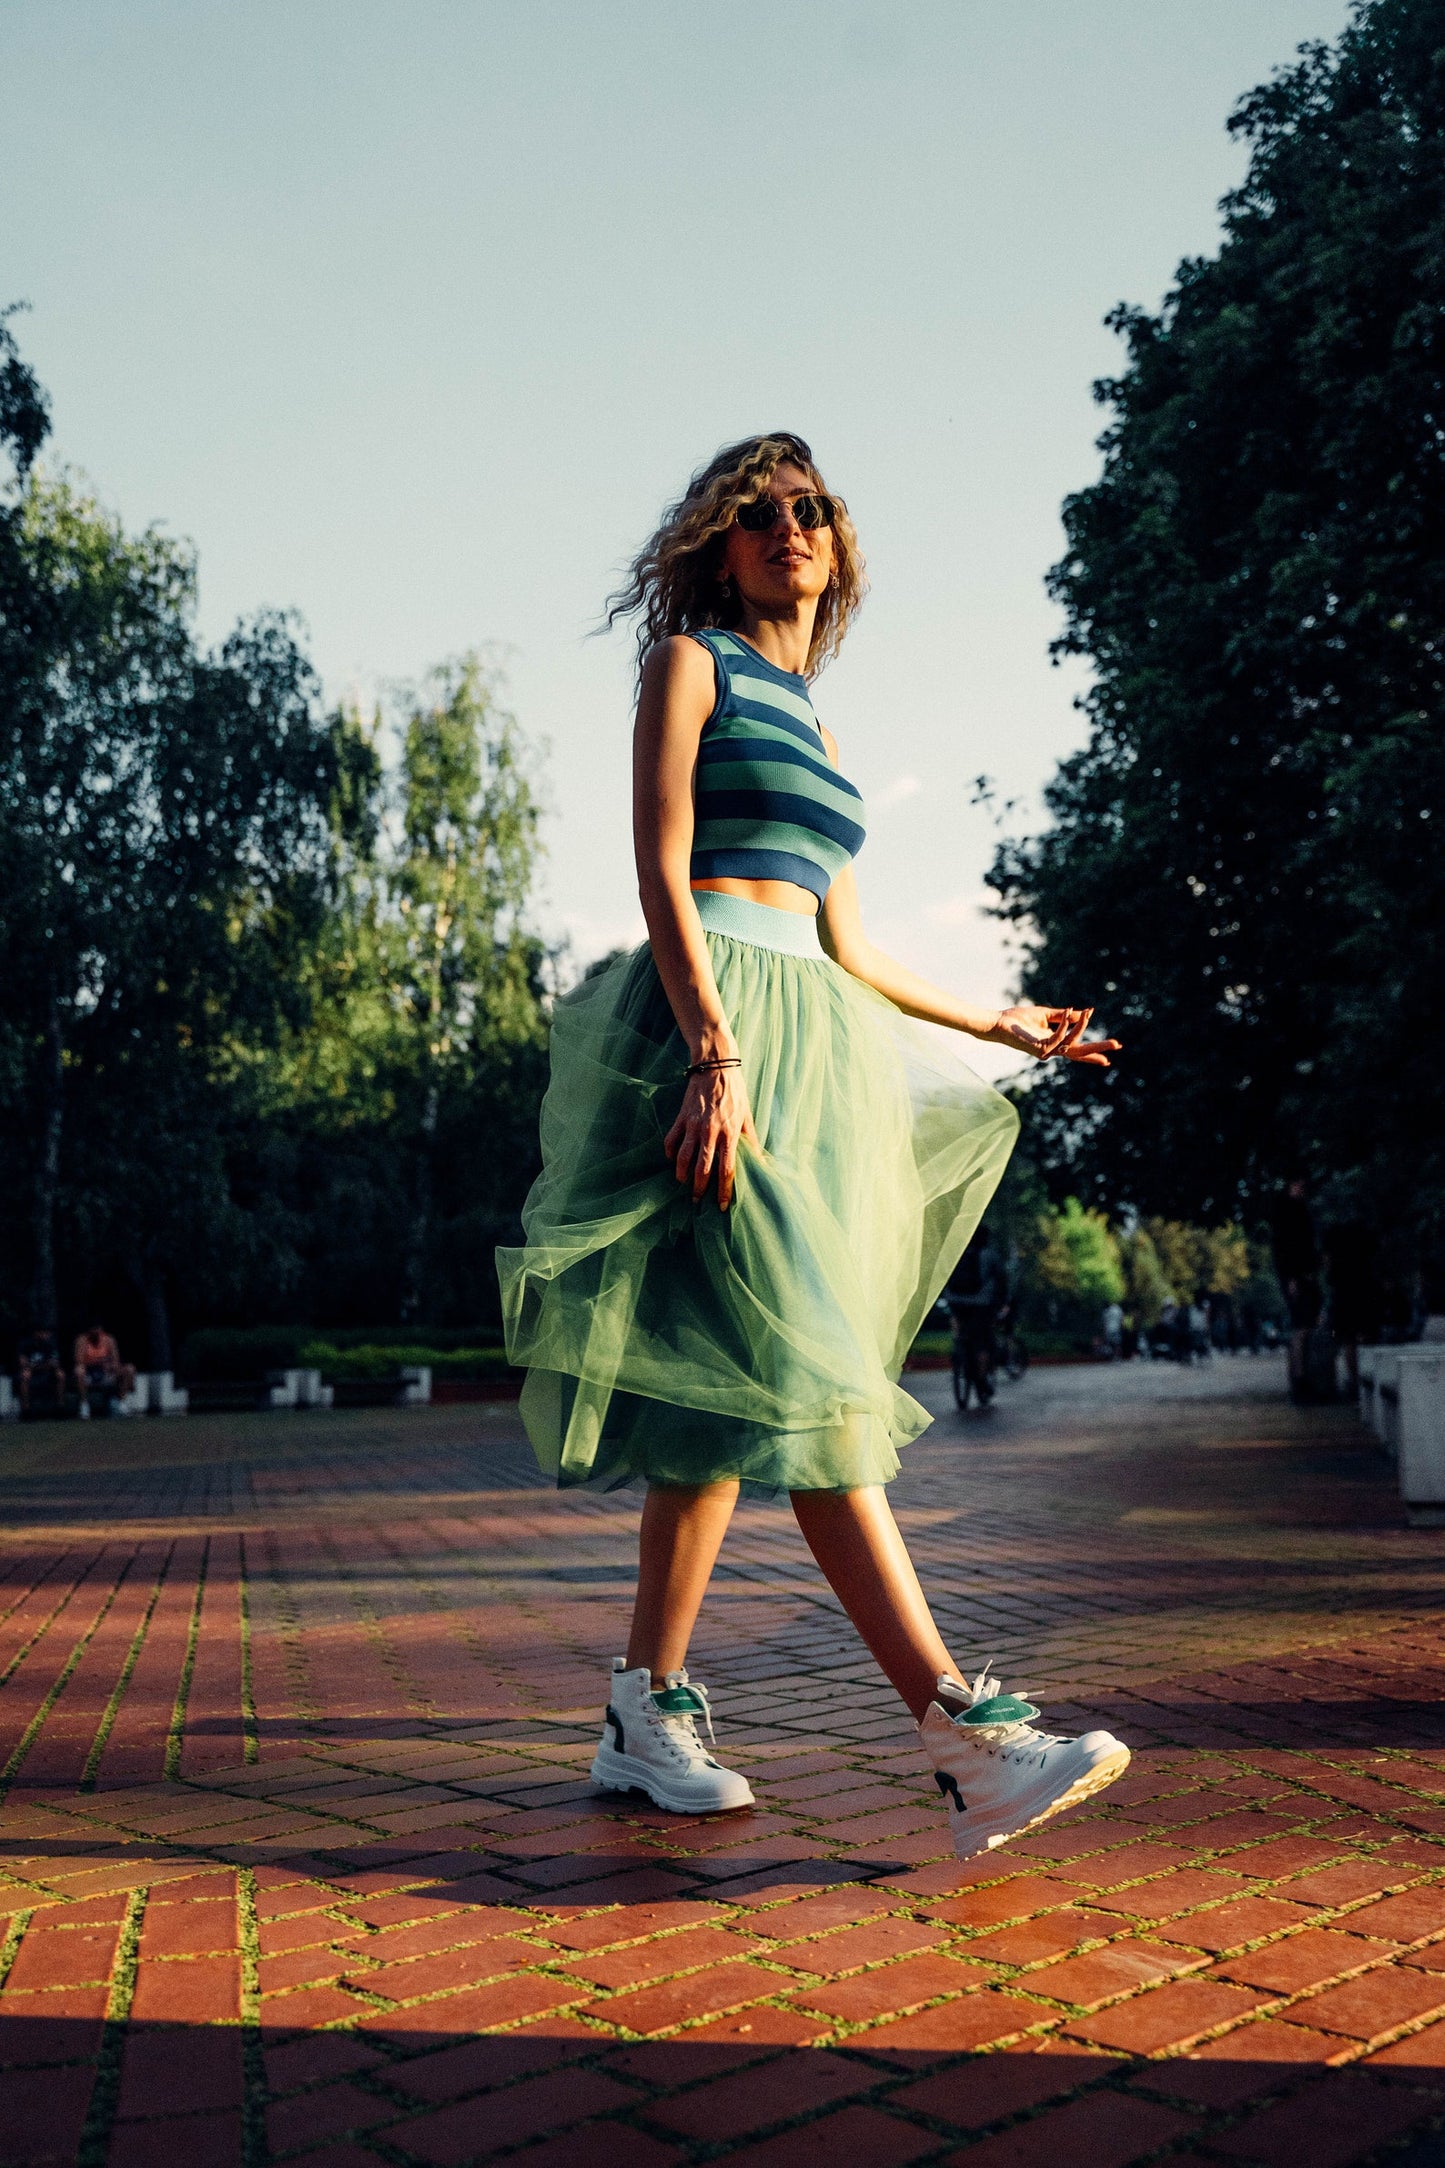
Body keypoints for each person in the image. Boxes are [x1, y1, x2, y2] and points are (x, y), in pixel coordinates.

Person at [497, 434, 1130, 1862]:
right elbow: (659, 865)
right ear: (719, 548)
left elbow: (848, 939)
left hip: (812, 1034)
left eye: (810, 511)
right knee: (812, 1373)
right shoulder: (692, 667)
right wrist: (713, 1049)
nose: (788, 527)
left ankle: (640, 1713)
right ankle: (960, 1736)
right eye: (758, 513)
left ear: (836, 548)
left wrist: (1004, 1017)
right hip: (711, 1022)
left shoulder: (818, 725)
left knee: (738, 1390)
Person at [1269, 1177, 1323, 1403]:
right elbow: (1285, 1249)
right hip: (1298, 1277)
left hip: (1302, 1276)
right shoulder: (1288, 1214)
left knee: (1305, 1327)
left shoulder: (1296, 1211)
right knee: (1302, 1328)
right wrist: (1292, 1277)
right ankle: (1300, 1378)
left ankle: (1302, 1378)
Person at [944, 1222, 1007, 1406]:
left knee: (961, 1332)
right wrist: (1002, 1303)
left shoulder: (956, 1253)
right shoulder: (990, 1255)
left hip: (955, 1301)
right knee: (982, 1342)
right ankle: (981, 1378)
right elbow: (1001, 1280)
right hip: (981, 1304)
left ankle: (959, 1352)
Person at [72, 1323, 135, 1416]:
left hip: (106, 1372)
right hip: (89, 1372)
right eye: (93, 1329)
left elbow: (115, 1360)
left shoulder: (109, 1340)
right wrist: (98, 1362)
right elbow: (79, 1361)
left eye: (98, 1329)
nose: (96, 1332)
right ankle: (84, 1405)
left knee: (129, 1369)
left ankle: (121, 1402)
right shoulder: (82, 1340)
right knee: (78, 1371)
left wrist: (110, 1365)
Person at [17, 1326, 65, 1414]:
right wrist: (38, 1366)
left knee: (60, 1374)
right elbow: (23, 1363)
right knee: (25, 1375)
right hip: (32, 1372)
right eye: (45, 1332)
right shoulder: (26, 1344)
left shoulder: (51, 1344)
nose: (47, 1335)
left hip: (47, 1372)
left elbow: (55, 1362)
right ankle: (26, 1409)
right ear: (37, 1333)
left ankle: (60, 1406)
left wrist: (37, 1365)